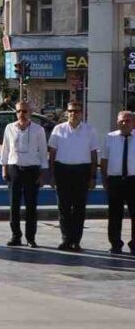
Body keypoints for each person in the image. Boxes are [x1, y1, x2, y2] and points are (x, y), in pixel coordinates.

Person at [49, 101, 100, 252]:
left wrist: (92, 177)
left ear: (82, 113)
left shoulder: (90, 130)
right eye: (71, 111)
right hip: (62, 171)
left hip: (82, 172)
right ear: (67, 112)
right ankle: (66, 240)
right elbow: (52, 154)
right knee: (63, 208)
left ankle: (76, 241)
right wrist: (52, 175)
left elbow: (93, 155)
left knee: (79, 209)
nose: (73, 114)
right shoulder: (58, 129)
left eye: (76, 111)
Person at [0, 102, 48, 247]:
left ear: (30, 113)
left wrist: (42, 174)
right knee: (14, 205)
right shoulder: (10, 128)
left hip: (32, 170)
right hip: (14, 169)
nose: (22, 113)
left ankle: (30, 238)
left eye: (25, 111)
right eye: (19, 111)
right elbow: (5, 149)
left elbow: (43, 152)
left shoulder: (38, 130)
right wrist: (4, 169)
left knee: (31, 206)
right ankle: (16, 236)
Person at [101, 110, 135, 254]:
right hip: (115, 181)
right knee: (114, 214)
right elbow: (104, 160)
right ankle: (115, 243)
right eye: (121, 120)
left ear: (133, 123)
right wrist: (104, 179)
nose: (124, 123)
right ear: (117, 122)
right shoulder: (110, 137)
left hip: (134, 180)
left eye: (127, 120)